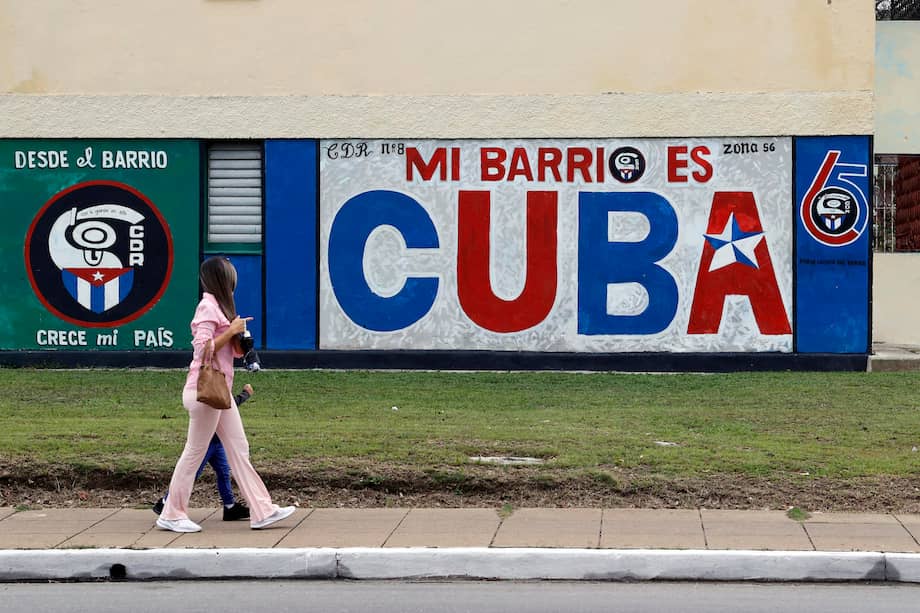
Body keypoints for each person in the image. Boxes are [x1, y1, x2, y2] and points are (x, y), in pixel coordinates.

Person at [155, 256, 294, 533]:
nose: (234, 280)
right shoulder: (207, 307)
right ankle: (171, 513)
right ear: (222, 279)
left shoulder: (219, 308)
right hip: (205, 392)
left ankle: (262, 510)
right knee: (194, 452)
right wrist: (230, 330)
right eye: (231, 275)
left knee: (239, 449)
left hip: (220, 393)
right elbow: (201, 349)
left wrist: (239, 342)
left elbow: (224, 351)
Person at [152, 384, 254, 521]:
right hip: (206, 440)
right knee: (191, 473)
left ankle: (230, 507)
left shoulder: (216, 382)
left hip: (216, 440)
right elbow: (225, 404)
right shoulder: (207, 385)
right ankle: (165, 503)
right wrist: (245, 394)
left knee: (223, 473)